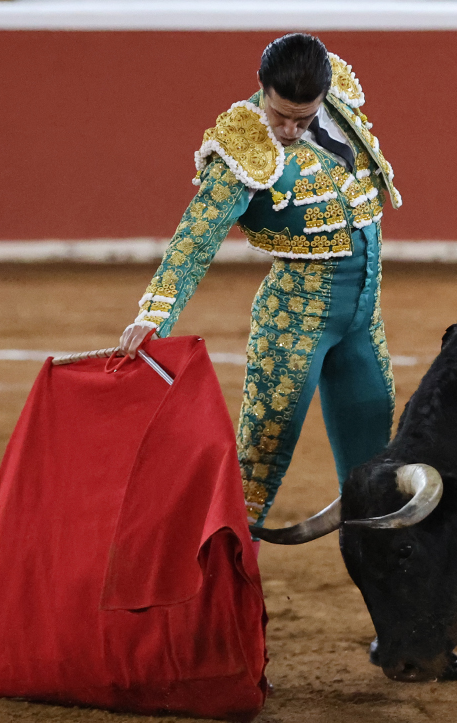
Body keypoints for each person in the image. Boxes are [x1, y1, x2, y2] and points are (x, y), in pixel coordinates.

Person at [119, 33, 402, 527]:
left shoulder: (339, 106)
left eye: (303, 118)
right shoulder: (243, 142)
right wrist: (154, 314)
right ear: (262, 88)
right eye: (280, 115)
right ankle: (221, 594)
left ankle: (387, 591)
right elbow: (197, 236)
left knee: (373, 475)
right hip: (293, 324)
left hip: (362, 322)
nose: (290, 129)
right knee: (255, 474)